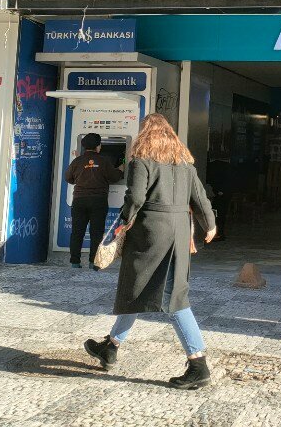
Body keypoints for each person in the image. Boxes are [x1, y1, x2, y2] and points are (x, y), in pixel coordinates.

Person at [84, 114, 217, 390]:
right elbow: (200, 197)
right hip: (179, 230)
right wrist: (210, 224)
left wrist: (124, 221)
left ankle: (198, 363)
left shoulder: (141, 161)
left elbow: (135, 197)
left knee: (172, 296)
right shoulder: (185, 164)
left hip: (151, 232)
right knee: (138, 287)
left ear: (144, 134)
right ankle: (111, 346)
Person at [65, 133, 123, 269]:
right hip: (98, 201)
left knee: (77, 232)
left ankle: (75, 262)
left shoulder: (77, 161)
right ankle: (93, 262)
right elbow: (114, 177)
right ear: (98, 146)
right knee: (96, 233)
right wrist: (121, 169)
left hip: (79, 200)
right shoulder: (104, 161)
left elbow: (68, 178)